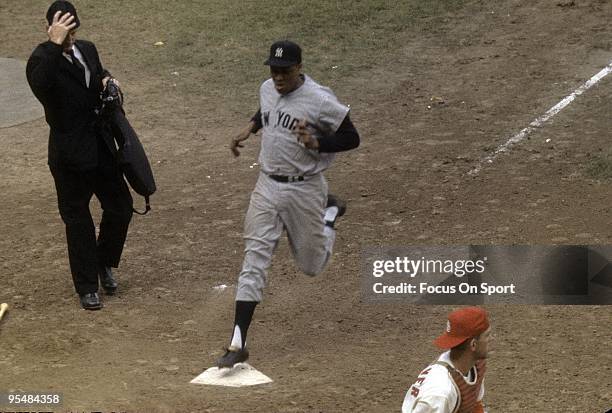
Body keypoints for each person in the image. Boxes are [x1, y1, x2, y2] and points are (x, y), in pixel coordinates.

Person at [218, 40, 360, 367]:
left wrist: (319, 141)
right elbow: (268, 110)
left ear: (299, 68)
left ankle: (329, 212)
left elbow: (352, 137)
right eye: (274, 70)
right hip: (267, 185)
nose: (278, 77)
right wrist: (250, 127)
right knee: (254, 258)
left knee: (312, 265)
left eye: (284, 71)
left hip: (305, 189)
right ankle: (238, 341)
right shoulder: (267, 87)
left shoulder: (320, 100)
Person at [26, 1, 133, 310]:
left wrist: (107, 79)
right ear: (49, 28)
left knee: (121, 207)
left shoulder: (87, 49)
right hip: (69, 156)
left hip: (99, 145)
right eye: (64, 31)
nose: (70, 36)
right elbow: (41, 84)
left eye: (73, 30)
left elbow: (97, 72)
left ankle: (103, 262)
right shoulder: (40, 60)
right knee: (78, 220)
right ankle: (87, 286)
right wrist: (54, 44)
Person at [402, 307, 492, 413]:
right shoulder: (440, 392)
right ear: (473, 344)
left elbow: (476, 406)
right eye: (487, 335)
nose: (491, 339)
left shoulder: (475, 365)